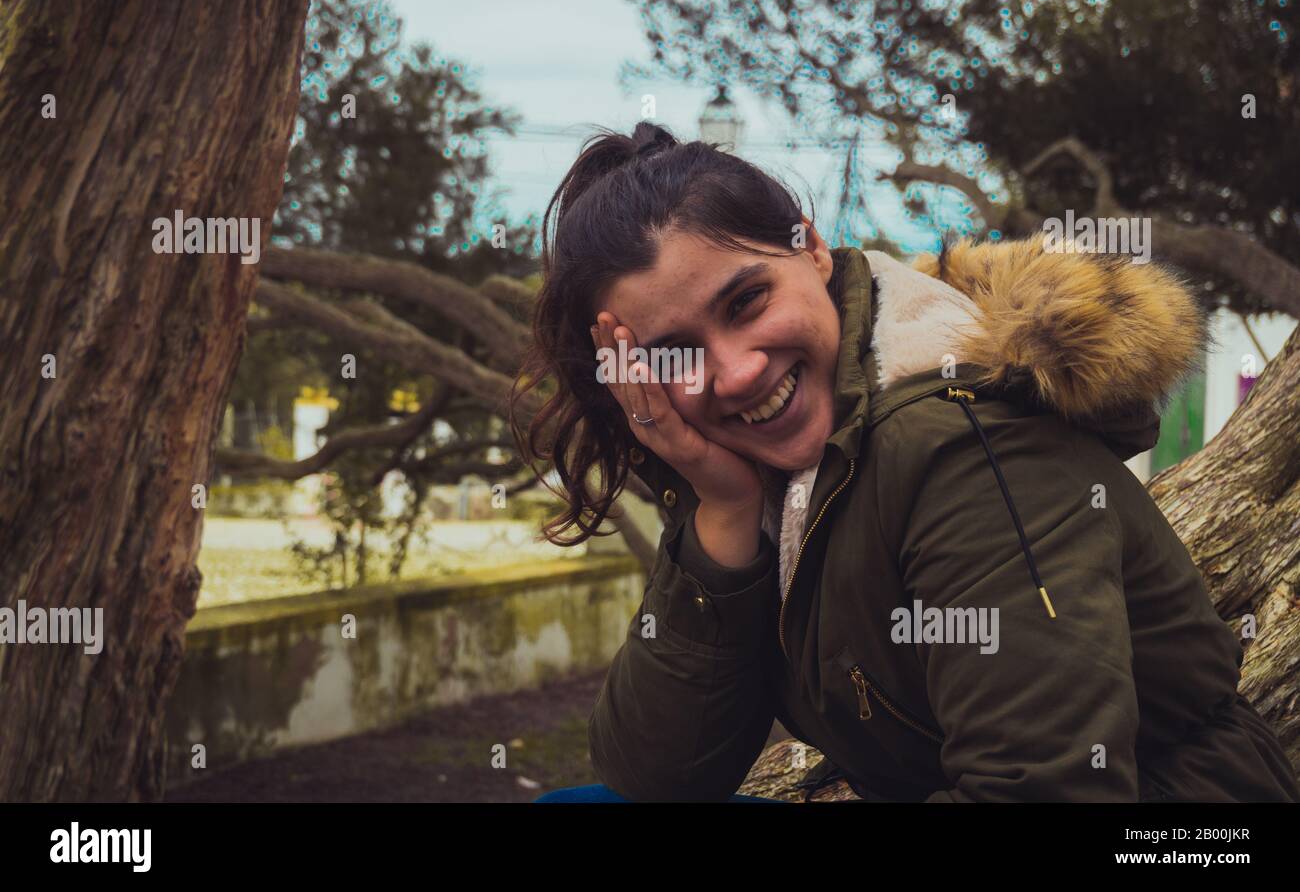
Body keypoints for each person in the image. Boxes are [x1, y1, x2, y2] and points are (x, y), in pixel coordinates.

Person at [510, 121, 1300, 803]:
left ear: (812, 248)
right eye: (677, 353)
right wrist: (718, 513)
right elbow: (654, 776)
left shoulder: (965, 447)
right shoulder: (765, 475)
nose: (737, 371)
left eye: (746, 302)